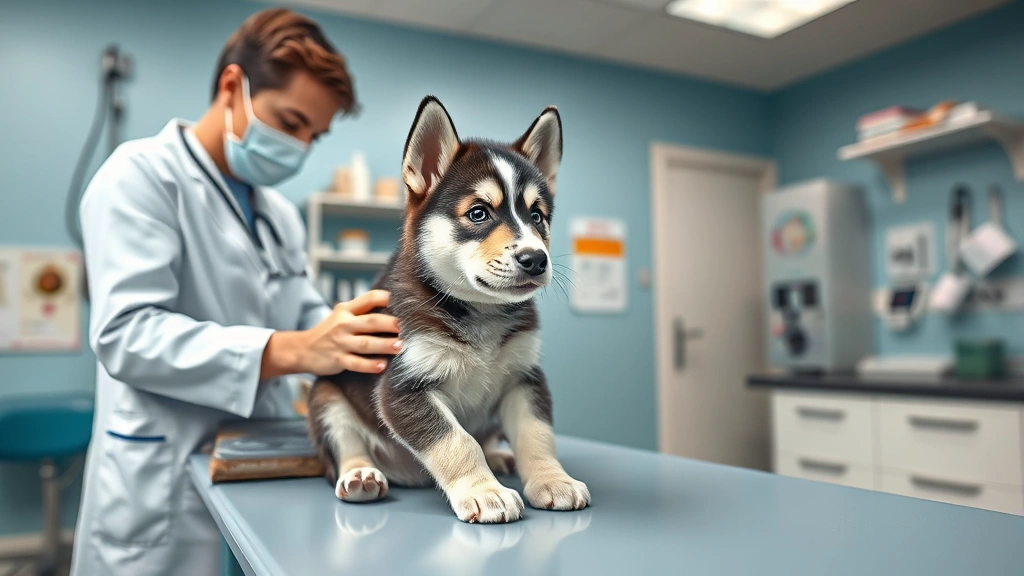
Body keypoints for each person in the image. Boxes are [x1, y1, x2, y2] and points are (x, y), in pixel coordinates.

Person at [69, 9, 402, 575]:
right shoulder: (140, 177)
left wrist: (363, 336)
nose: (300, 146)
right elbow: (124, 334)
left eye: (313, 135)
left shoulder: (277, 215)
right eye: (291, 121)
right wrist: (298, 349)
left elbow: (305, 310)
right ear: (232, 87)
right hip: (162, 482)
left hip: (259, 467)